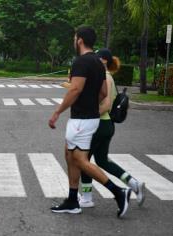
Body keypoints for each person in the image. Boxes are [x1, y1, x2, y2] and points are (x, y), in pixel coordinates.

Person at [48, 26, 131, 218]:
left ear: (80, 40)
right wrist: (89, 101)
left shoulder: (81, 62)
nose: (73, 40)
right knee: (70, 156)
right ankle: (72, 200)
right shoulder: (98, 63)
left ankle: (119, 192)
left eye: (74, 37)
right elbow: (102, 93)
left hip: (80, 119)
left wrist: (57, 112)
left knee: (79, 160)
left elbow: (75, 89)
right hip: (91, 118)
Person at [79, 49, 145, 208]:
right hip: (106, 125)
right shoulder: (106, 76)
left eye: (96, 58)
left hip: (99, 124)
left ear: (102, 60)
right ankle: (134, 184)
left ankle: (87, 198)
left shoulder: (105, 78)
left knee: (83, 160)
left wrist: (88, 117)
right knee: (102, 160)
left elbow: (107, 104)